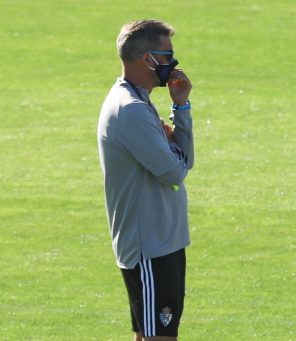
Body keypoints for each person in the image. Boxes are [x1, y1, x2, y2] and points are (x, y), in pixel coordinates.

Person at [97, 19, 193, 341]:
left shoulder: (137, 100)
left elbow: (182, 160)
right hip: (150, 246)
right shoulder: (131, 110)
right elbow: (177, 171)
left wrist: (181, 107)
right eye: (165, 55)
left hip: (159, 240)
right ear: (144, 59)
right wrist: (176, 136)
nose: (173, 63)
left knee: (148, 334)